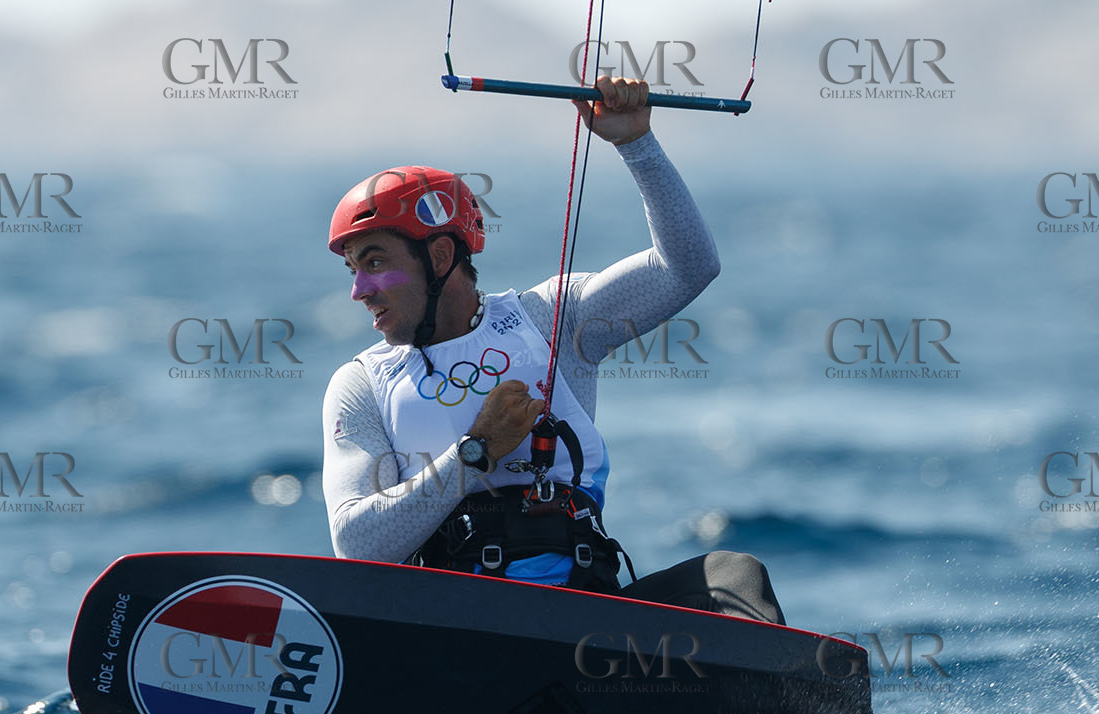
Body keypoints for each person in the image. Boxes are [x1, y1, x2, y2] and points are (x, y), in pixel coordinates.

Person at [321, 76, 784, 625]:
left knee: (735, 575)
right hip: (459, 628)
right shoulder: (361, 385)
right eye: (353, 270)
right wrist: (475, 454)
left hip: (586, 620)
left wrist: (635, 144)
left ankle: (795, 709)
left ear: (441, 255)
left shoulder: (552, 319)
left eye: (374, 262)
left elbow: (688, 268)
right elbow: (358, 546)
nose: (359, 290)